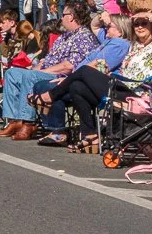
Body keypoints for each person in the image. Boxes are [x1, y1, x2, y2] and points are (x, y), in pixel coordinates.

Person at [35, 10, 152, 152]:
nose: (140, 27)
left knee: (84, 71)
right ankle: (90, 135)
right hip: (119, 86)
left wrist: (149, 16)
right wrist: (102, 16)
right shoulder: (132, 44)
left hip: (135, 95)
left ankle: (49, 96)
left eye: (144, 24)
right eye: (136, 24)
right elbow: (94, 27)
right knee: (77, 86)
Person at [0, 0, 98, 141]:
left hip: (63, 77)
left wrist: (40, 72)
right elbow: (45, 61)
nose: (61, 18)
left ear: (71, 17)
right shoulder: (64, 36)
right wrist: (35, 69)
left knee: (31, 77)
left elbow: (68, 66)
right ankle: (14, 121)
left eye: (63, 14)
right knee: (12, 73)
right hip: (48, 71)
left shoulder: (84, 37)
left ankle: (28, 122)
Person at [32, 13, 135, 146]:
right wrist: (103, 17)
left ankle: (58, 130)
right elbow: (94, 25)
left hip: (97, 85)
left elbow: (100, 67)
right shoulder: (107, 40)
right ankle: (85, 133)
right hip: (79, 78)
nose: (106, 28)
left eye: (110, 26)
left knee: (50, 87)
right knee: (43, 85)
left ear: (120, 31)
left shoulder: (119, 44)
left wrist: (67, 79)